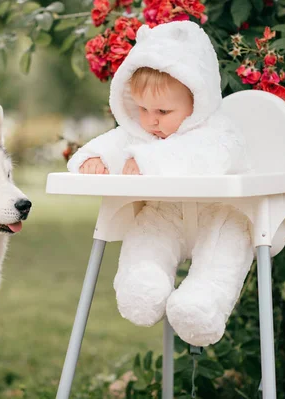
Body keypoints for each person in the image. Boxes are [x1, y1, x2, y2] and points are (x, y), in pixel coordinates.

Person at [67, 21, 253, 347]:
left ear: (198, 99)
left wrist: (149, 163)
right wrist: (95, 160)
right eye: (142, 109)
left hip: (221, 215)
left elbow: (205, 159)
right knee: (146, 231)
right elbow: (117, 142)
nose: (151, 120)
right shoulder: (143, 132)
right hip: (166, 214)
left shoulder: (220, 132)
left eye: (163, 111)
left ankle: (202, 303)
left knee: (223, 252)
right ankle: (142, 283)